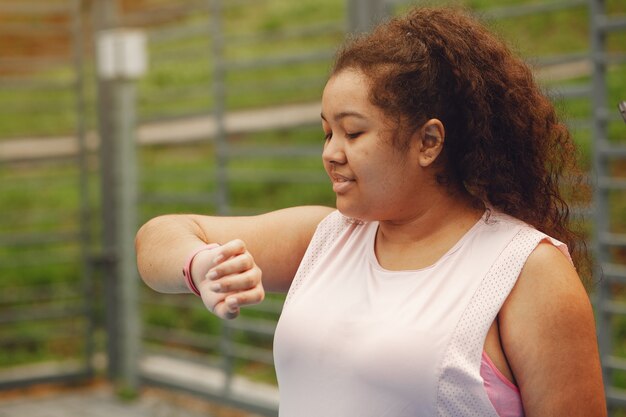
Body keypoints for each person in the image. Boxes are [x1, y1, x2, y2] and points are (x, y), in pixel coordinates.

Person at [136, 6, 607, 417]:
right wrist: (201, 266)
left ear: (428, 142)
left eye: (353, 133)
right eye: (327, 133)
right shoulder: (326, 237)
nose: (330, 153)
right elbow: (161, 236)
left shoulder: (526, 270)